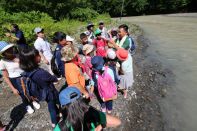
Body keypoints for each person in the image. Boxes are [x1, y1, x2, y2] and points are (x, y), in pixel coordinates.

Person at [19, 47, 59, 127]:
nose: (40, 56)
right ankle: (54, 122)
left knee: (51, 104)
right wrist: (55, 77)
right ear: (32, 60)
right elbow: (52, 78)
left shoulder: (27, 72)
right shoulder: (40, 72)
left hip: (41, 92)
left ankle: (58, 113)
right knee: (55, 104)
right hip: (49, 91)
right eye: (37, 55)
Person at [54, 87, 121, 131]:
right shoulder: (92, 112)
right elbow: (117, 122)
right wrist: (100, 126)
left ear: (63, 107)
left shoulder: (61, 127)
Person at [0, 41, 39, 114]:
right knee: (22, 94)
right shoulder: (2, 62)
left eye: (10, 48)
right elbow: (5, 77)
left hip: (25, 75)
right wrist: (13, 88)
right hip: (15, 79)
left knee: (31, 89)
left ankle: (33, 101)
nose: (10, 50)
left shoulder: (18, 55)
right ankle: (27, 105)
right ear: (3, 53)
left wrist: (19, 61)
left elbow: (27, 64)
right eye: (7, 50)